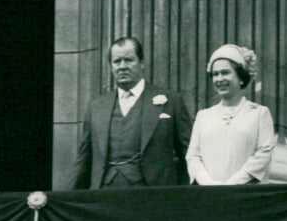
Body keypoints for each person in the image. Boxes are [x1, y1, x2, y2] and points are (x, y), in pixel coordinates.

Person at [71, 37, 192, 189]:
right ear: (111, 66)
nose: (122, 66)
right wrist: (67, 198)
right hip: (104, 194)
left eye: (129, 60)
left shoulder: (171, 101)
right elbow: (84, 157)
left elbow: (189, 154)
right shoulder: (96, 107)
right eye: (117, 61)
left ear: (141, 63)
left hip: (153, 195)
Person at [186, 44, 276, 185]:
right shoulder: (203, 116)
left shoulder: (259, 114)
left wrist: (233, 184)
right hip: (209, 194)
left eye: (225, 72)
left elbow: (263, 154)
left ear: (241, 77)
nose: (219, 79)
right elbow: (193, 156)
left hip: (245, 193)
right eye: (215, 74)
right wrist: (209, 183)